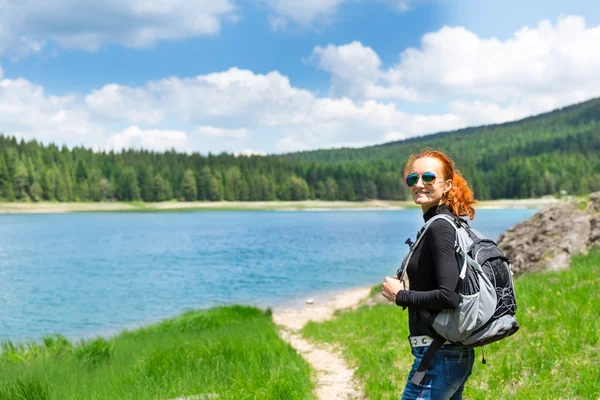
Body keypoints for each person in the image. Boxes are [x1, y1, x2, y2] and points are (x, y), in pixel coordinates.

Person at [381, 149, 477, 400]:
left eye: (429, 178)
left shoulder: (440, 228)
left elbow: (449, 297)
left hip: (438, 356)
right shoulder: (446, 223)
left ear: (446, 186)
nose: (419, 184)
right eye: (413, 179)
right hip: (446, 353)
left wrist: (400, 295)